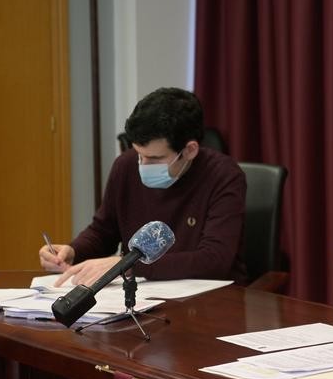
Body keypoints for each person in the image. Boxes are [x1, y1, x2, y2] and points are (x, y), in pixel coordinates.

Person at [39, 87, 248, 286]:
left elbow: (213, 260)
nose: (142, 166)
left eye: (154, 158)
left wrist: (127, 265)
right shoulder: (126, 165)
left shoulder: (224, 175)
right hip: (142, 295)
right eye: (139, 154)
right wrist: (73, 250)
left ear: (190, 150)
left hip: (210, 300)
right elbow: (104, 231)